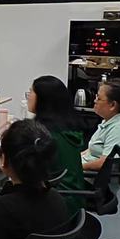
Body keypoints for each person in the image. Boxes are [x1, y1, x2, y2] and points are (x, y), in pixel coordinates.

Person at [26, 75, 87, 215]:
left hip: (57, 203)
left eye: (31, 92)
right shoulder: (67, 128)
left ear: (43, 99)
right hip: (74, 200)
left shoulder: (44, 135)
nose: (28, 96)